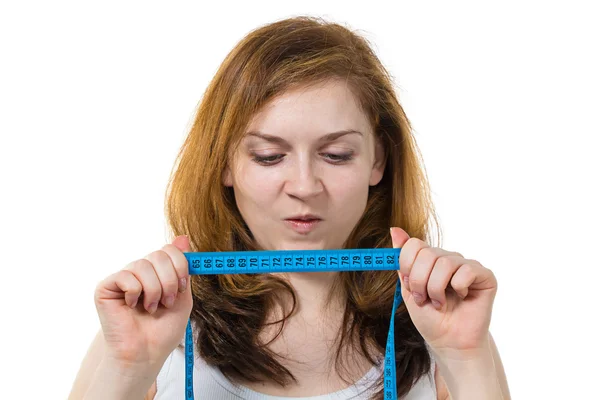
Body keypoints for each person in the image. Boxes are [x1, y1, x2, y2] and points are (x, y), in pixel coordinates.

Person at [69, 16, 510, 400]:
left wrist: (467, 360)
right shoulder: (151, 325)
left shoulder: (442, 328)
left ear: (378, 160)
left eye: (336, 154)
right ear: (224, 164)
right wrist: (126, 370)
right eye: (268, 156)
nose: (304, 186)